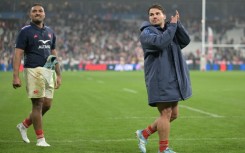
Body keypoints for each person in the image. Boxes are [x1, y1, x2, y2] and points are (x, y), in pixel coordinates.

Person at [136, 4, 192, 153]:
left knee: (173, 115)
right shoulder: (146, 33)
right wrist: (172, 27)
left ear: (164, 16)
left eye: (157, 13)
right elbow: (161, 43)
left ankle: (145, 133)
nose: (154, 16)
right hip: (159, 79)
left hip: (173, 78)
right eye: (151, 14)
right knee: (165, 113)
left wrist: (177, 24)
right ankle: (163, 149)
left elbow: (185, 40)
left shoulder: (170, 29)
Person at [12, 3, 61, 147]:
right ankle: (40, 139)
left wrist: (58, 74)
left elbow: (53, 54)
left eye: (40, 11)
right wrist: (16, 75)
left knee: (47, 104)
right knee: (38, 104)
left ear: (44, 14)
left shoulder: (51, 32)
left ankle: (24, 125)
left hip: (49, 71)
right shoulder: (25, 31)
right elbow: (18, 53)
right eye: (34, 11)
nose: (37, 13)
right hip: (33, 70)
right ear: (30, 15)